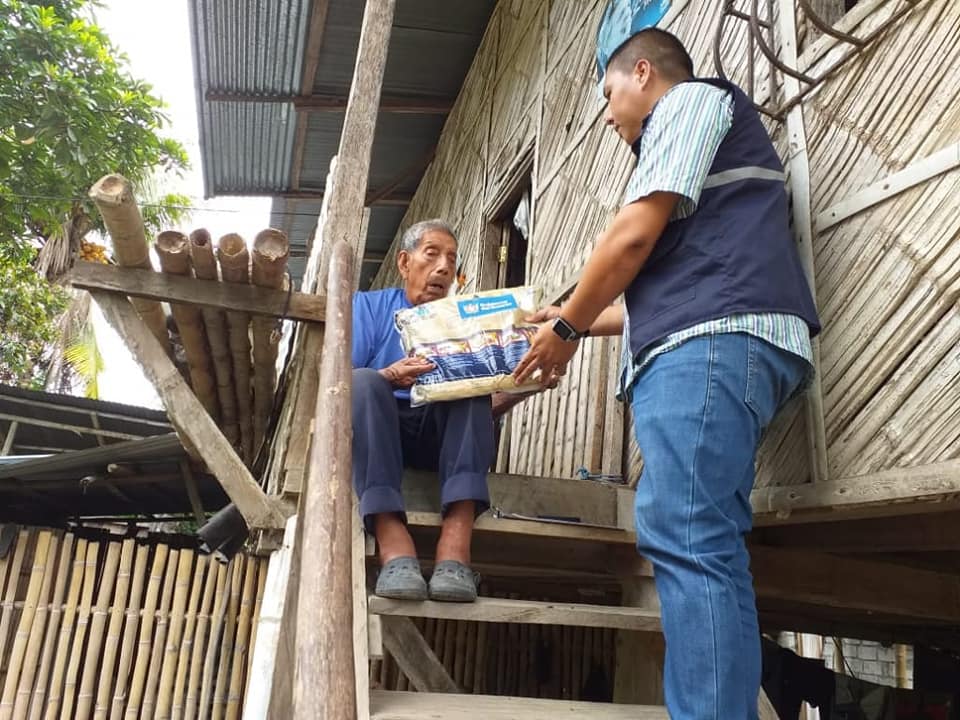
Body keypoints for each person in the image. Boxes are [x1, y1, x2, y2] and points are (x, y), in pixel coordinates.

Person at [513, 14, 821, 719]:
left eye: (609, 94)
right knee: (704, 542)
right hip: (720, 336)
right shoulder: (702, 152)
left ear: (643, 73)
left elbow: (632, 237)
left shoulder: (687, 103)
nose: (608, 117)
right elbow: (656, 286)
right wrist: (568, 321)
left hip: (712, 341)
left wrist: (567, 325)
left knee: (686, 536)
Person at [352, 218, 497, 604]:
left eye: (451, 259)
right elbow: (339, 384)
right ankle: (392, 541)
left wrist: (525, 385)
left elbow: (483, 412)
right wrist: (389, 376)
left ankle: (455, 547)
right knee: (363, 381)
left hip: (439, 436)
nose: (443, 267)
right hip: (382, 435)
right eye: (432, 254)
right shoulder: (369, 307)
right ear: (404, 262)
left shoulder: (466, 321)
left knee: (473, 384)